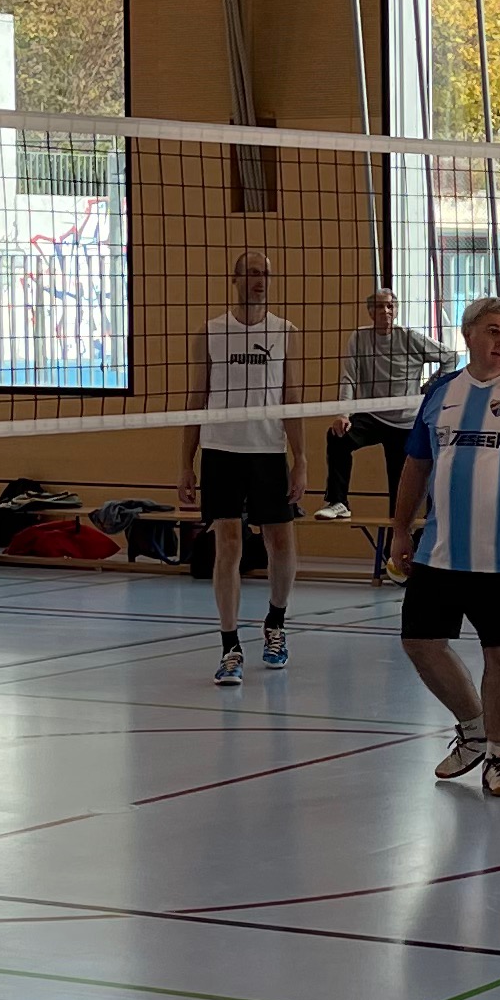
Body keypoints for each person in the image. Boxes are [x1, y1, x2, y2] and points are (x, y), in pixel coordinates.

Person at [386, 297, 500, 801]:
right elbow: (416, 466)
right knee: (420, 643)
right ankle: (473, 728)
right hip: (441, 550)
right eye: (493, 331)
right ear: (468, 335)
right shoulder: (441, 392)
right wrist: (401, 530)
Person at [197, 251, 297, 684]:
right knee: (229, 544)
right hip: (220, 449)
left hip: (269, 450)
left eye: (265, 274)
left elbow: (293, 399)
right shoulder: (211, 331)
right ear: (235, 278)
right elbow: (195, 398)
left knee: (280, 542)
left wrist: (302, 460)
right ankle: (230, 647)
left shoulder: (285, 331)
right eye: (252, 273)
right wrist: (184, 464)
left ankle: (275, 622)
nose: (260, 280)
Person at [318, 289, 448, 528]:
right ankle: (338, 502)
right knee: (337, 436)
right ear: (370, 312)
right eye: (379, 306)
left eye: (390, 306)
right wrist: (343, 414)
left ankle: (396, 544)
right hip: (372, 415)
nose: (385, 311)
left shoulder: (409, 337)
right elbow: (349, 378)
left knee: (399, 496)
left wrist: (429, 389)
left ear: (396, 311)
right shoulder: (359, 337)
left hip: (405, 422)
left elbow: (449, 356)